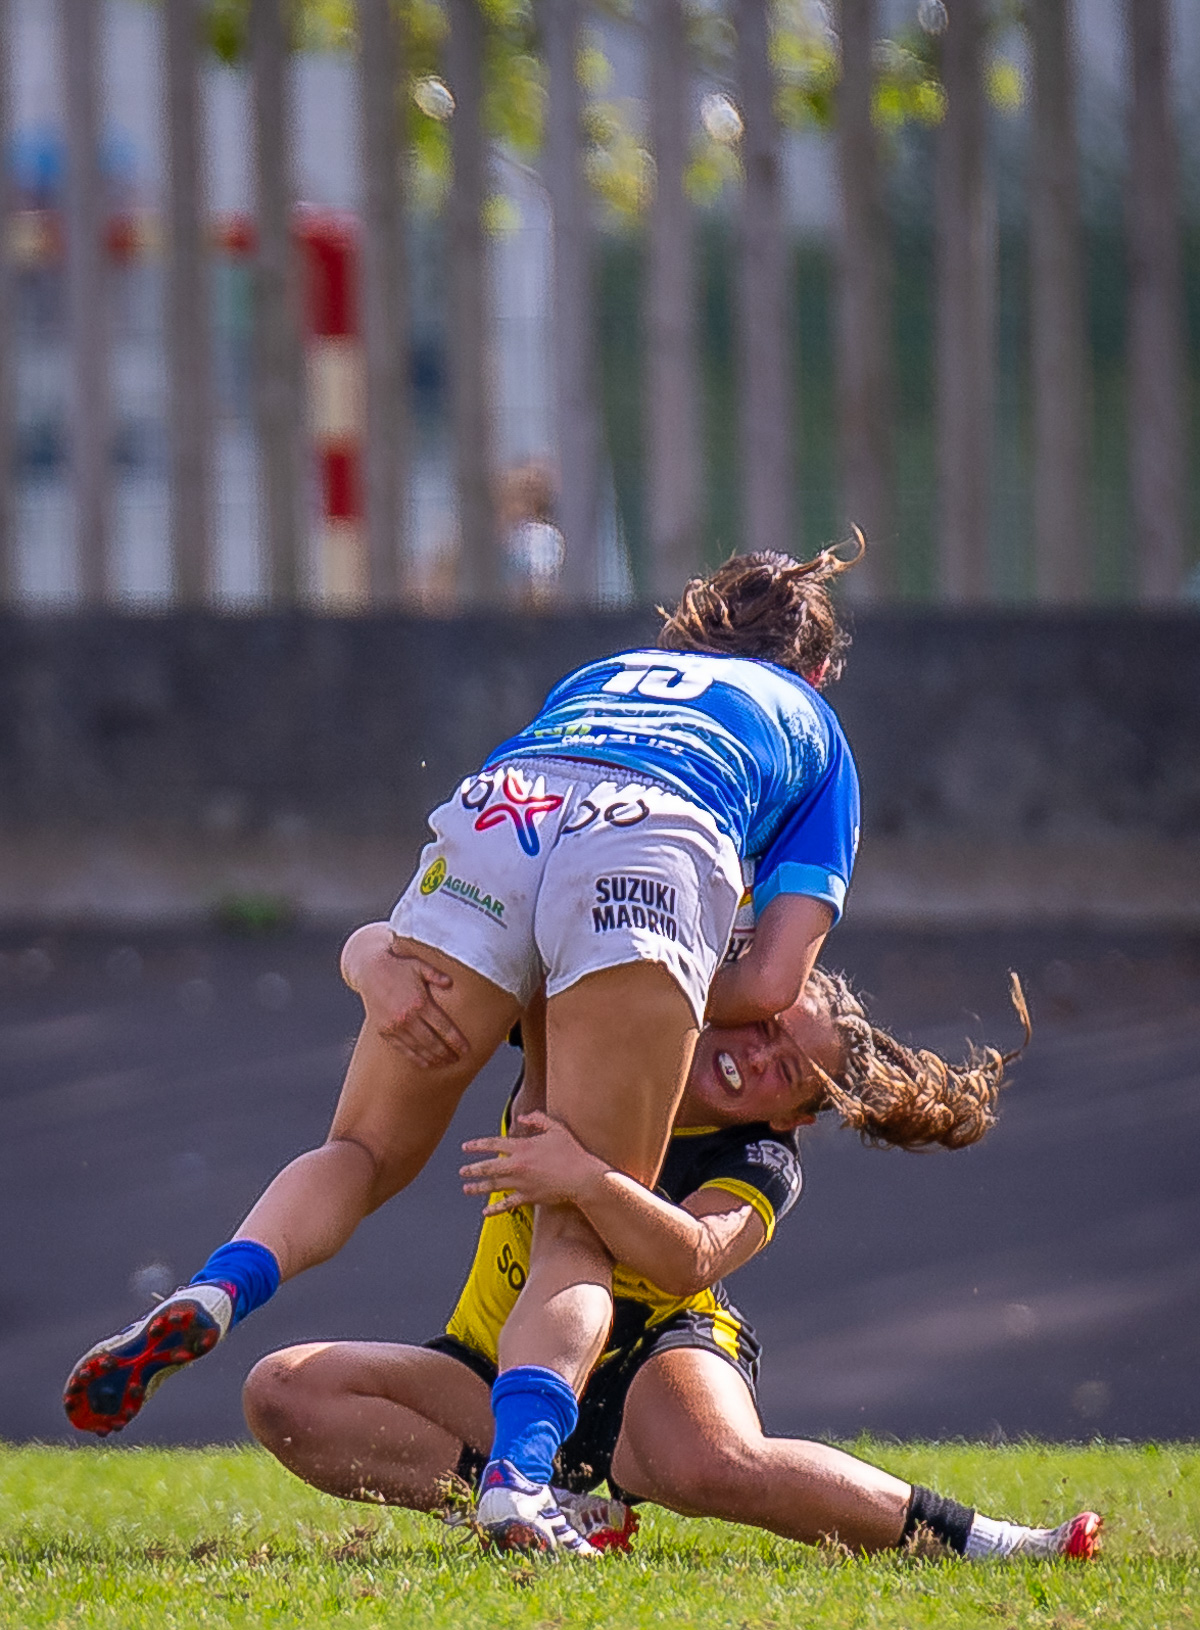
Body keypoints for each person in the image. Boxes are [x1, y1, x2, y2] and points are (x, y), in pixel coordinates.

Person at [65, 547, 865, 1553]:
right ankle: (521, 1481)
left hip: (506, 812)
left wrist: (387, 964)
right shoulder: (815, 734)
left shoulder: (603, 677)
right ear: (818, 673)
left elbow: (521, 875)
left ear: (687, 636)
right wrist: (618, 1012)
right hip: (653, 841)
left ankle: (216, 1288)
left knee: (359, 1151)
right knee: (574, 1225)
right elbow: (772, 985)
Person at [241, 970, 1100, 1563]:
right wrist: (364, 958)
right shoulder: (600, 1032)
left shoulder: (761, 1162)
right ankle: (543, 1505)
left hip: (656, 1355)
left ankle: (994, 1542)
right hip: (499, 1364)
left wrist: (586, 1179)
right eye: (764, 1027)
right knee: (282, 1390)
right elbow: (442, 956)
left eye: (784, 1072)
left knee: (710, 1463)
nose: (756, 1056)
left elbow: (692, 1258)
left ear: (794, 1118)